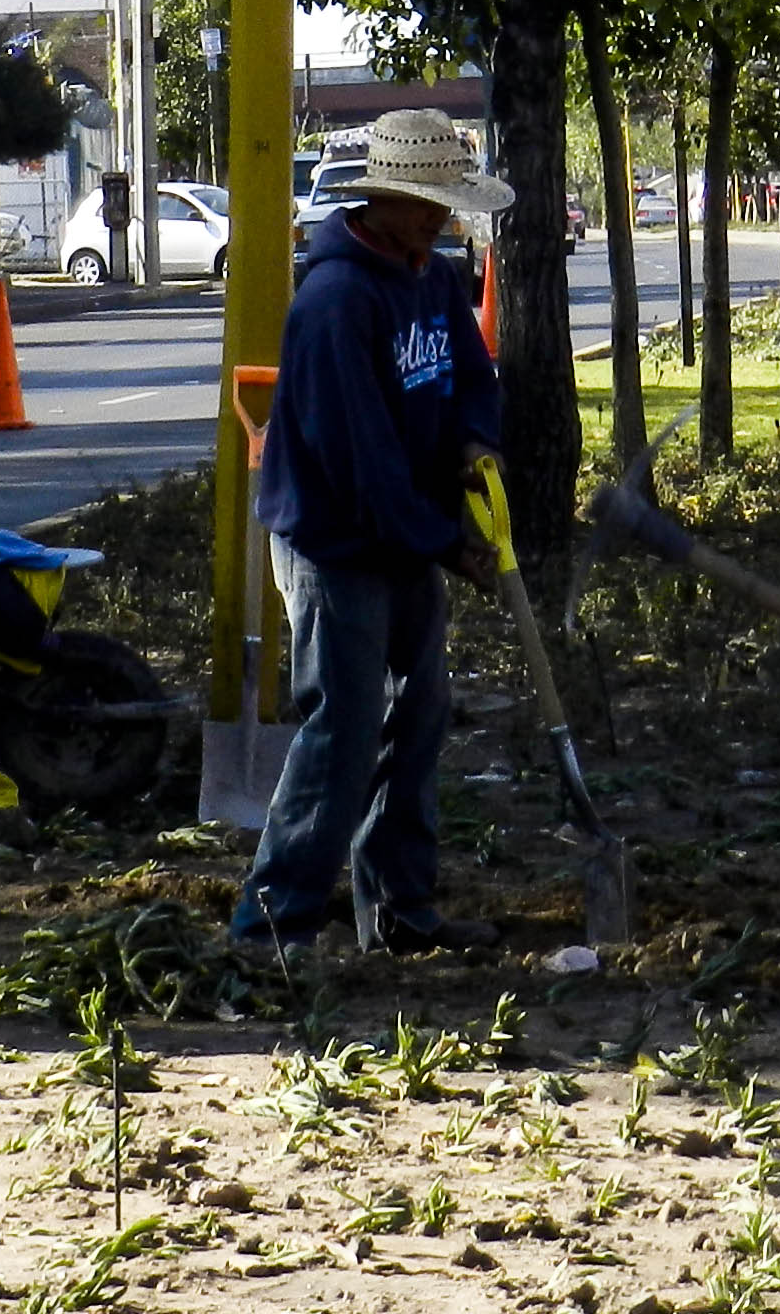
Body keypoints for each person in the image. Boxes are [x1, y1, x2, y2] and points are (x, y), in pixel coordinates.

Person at [230, 107, 509, 954]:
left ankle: (399, 912)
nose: (439, 220)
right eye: (427, 204)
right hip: (335, 541)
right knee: (342, 729)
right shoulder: (336, 302)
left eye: (446, 205)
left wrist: (474, 441)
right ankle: (274, 923)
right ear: (382, 199)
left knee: (418, 718)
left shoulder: (428, 273)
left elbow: (471, 374)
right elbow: (363, 464)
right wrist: (447, 545)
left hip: (404, 532)